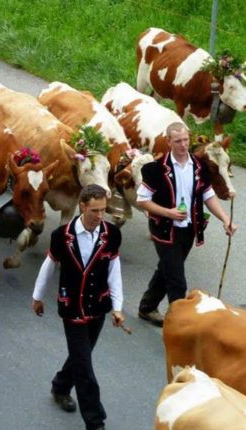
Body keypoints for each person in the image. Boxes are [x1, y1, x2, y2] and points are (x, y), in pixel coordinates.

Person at [31, 184, 125, 430]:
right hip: (72, 308)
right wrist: (38, 296)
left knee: (81, 356)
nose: (100, 216)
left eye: (103, 210)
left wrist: (117, 307)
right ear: (82, 206)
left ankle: (60, 386)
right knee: (84, 368)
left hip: (98, 307)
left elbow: (114, 271)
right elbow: (49, 265)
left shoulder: (112, 234)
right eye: (95, 210)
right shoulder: (61, 236)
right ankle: (95, 422)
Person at [136, 122, 237, 327]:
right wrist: (169, 213)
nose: (183, 145)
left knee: (167, 269)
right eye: (178, 141)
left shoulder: (199, 166)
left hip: (189, 230)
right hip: (165, 231)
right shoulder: (155, 169)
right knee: (177, 281)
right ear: (168, 142)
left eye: (185, 140)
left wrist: (225, 219)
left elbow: (207, 195)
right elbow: (142, 200)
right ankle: (178, 327)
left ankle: (147, 307)